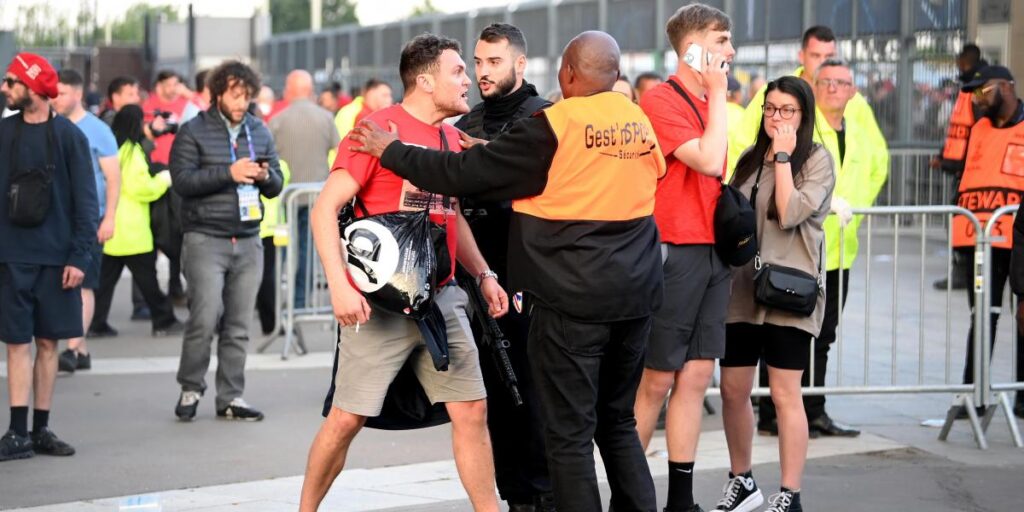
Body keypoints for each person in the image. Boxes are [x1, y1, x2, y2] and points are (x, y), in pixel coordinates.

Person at [351, 30, 667, 512]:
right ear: (616, 75)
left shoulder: (553, 124)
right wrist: (490, 150)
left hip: (573, 301)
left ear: (567, 74)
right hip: (637, 296)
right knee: (617, 421)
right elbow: (622, 173)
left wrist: (390, 151)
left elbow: (464, 176)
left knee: (569, 435)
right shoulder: (636, 120)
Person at [298, 34, 504, 512]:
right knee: (346, 420)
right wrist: (339, 286)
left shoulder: (452, 137)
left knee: (472, 410)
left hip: (444, 299)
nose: (467, 79)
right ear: (427, 80)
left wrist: (485, 273)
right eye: (458, 71)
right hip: (381, 306)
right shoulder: (375, 129)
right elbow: (324, 209)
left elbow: (451, 215)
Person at [716, 76, 834, 512]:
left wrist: (783, 156)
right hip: (742, 290)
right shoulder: (748, 159)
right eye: (771, 108)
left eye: (788, 110)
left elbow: (787, 213)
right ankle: (742, 480)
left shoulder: (816, 160)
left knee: (786, 394)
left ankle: (789, 493)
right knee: (732, 389)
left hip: (790, 291)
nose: (777, 117)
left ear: (803, 116)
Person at [634, 5, 734, 512]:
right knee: (657, 377)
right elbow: (710, 160)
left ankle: (681, 500)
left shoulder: (712, 101)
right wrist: (717, 95)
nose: (730, 52)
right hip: (675, 249)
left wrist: (715, 98)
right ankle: (630, 497)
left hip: (713, 250)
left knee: (696, 376)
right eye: (721, 41)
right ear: (691, 48)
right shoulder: (660, 100)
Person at [756, 59, 888, 439]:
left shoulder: (859, 129)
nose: (834, 88)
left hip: (840, 248)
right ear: (813, 87)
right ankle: (773, 412)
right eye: (825, 81)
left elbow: (878, 167)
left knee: (823, 335)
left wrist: (855, 210)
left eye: (842, 82)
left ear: (853, 90)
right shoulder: (806, 133)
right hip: (796, 250)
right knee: (780, 330)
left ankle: (814, 409)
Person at [452, 22, 554, 512]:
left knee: (534, 392)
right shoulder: (464, 124)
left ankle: (544, 493)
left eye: (494, 62)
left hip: (535, 279)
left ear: (519, 63)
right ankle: (516, 496)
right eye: (477, 62)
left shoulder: (546, 117)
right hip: (477, 279)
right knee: (492, 393)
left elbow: (549, 187)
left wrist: (489, 161)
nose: (482, 72)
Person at [169, 60, 284, 422]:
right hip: (205, 238)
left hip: (248, 239)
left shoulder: (259, 130)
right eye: (234, 96)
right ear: (217, 93)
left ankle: (231, 396)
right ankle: (191, 386)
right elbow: (183, 182)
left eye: (246, 95)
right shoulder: (192, 131)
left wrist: (265, 177)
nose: (241, 102)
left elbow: (277, 183)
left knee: (237, 325)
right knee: (204, 318)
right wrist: (229, 174)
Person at [0, 52, 98, 461]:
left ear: (34, 87)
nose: (5, 88)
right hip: (11, 257)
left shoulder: (70, 138)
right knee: (16, 343)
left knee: (47, 343)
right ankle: (16, 431)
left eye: (11, 81)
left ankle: (41, 428)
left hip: (58, 261)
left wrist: (78, 258)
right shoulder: (4, 134)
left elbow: (86, 204)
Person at [953, 65, 1024, 420]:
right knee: (982, 317)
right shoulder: (978, 129)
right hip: (979, 240)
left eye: (984, 90)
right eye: (974, 93)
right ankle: (973, 393)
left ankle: (1022, 397)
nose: (978, 98)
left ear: (1007, 88)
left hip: (1019, 242)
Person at [728, 25, 882, 176]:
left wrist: (859, 200)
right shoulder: (772, 93)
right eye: (816, 55)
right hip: (780, 193)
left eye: (829, 57)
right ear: (802, 56)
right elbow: (741, 144)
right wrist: (741, 191)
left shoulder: (855, 102)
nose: (822, 62)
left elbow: (878, 158)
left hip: (845, 199)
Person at [89, 104, 184, 342]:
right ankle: (164, 320)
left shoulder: (113, 148)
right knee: (148, 281)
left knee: (104, 282)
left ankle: (95, 322)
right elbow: (141, 188)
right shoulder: (132, 152)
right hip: (133, 231)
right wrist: (164, 178)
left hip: (113, 230)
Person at [49, 69, 122, 373]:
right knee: (64, 283)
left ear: (78, 94)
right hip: (57, 219)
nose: (55, 98)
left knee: (84, 284)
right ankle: (82, 351)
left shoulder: (98, 130)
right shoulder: (51, 126)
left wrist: (109, 217)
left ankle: (71, 347)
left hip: (89, 218)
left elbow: (113, 178)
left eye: (62, 92)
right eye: (53, 92)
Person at [268, 70, 341, 312]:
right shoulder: (325, 118)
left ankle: (276, 304)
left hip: (285, 196)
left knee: (283, 251)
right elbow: (338, 149)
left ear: (289, 91)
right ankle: (301, 302)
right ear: (310, 91)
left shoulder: (277, 121)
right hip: (315, 196)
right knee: (307, 252)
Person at [934, 44, 988, 291]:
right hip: (963, 170)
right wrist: (944, 158)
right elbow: (959, 132)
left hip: (973, 173)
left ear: (964, 61)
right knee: (962, 223)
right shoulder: (969, 88)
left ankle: (969, 275)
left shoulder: (980, 88)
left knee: (966, 225)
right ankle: (966, 273)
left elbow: (977, 134)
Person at [142, 70, 188, 305]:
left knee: (176, 232)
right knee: (155, 233)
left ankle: (175, 285)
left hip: (177, 173)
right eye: (170, 84)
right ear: (159, 84)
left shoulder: (185, 104)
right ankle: (147, 295)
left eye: (176, 83)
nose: (174, 88)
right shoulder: (147, 105)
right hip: (153, 172)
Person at [725, 76, 745, 173]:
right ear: (737, 94)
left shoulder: (711, 112)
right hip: (735, 175)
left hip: (711, 175)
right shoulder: (744, 115)